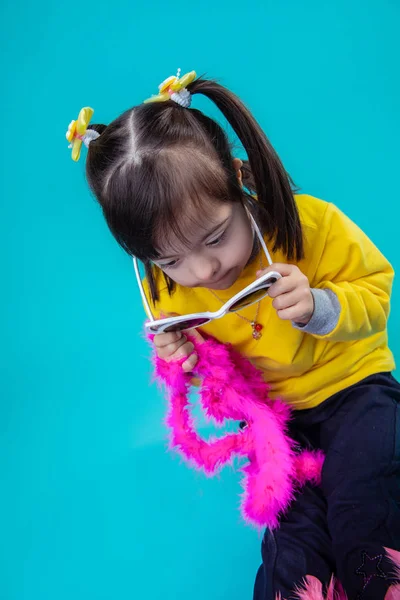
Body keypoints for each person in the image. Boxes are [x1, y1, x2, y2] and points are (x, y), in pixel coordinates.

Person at [66, 69, 400, 599]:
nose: (202, 271)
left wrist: (320, 305)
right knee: (295, 549)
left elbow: (377, 295)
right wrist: (187, 360)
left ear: (239, 182)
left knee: (366, 509)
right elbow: (224, 377)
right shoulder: (167, 292)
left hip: (356, 389)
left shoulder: (306, 226)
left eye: (216, 237)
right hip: (279, 422)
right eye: (171, 259)